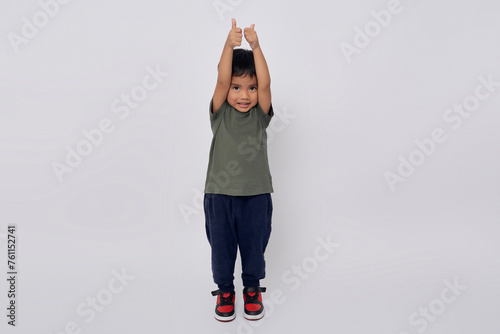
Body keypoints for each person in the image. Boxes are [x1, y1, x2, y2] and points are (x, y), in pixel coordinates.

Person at [203, 17, 274, 322]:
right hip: (219, 194)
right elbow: (220, 80)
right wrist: (229, 45)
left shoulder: (261, 115)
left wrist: (255, 46)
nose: (244, 95)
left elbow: (267, 83)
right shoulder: (220, 114)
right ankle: (225, 290)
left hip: (256, 194)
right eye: (237, 87)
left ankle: (252, 288)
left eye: (251, 88)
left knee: (254, 244)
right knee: (221, 247)